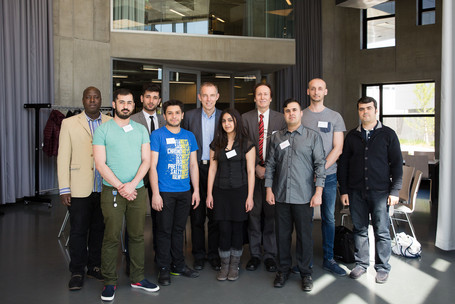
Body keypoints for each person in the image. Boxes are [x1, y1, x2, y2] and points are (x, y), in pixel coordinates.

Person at [93, 88, 159, 301]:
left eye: (129, 103)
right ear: (114, 104)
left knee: (137, 236)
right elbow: (100, 164)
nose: (125, 106)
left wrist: (132, 185)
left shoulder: (141, 130)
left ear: (134, 105)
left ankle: (138, 277)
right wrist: (122, 186)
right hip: (112, 191)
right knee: (112, 237)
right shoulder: (103, 130)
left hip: (137, 191)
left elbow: (147, 161)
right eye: (121, 102)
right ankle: (110, 282)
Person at [338, 96, 403, 284]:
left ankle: (382, 268)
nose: (365, 112)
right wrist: (344, 191)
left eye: (368, 108)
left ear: (376, 110)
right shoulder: (352, 136)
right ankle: (361, 264)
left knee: (382, 230)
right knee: (359, 229)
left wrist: (395, 191)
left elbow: (397, 164)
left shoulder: (388, 135)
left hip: (381, 193)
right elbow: (343, 166)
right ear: (358, 111)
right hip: (356, 192)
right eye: (361, 109)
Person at [265, 98, 326, 292]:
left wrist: (319, 191)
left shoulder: (312, 137)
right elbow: (270, 166)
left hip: (304, 197)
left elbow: (320, 166)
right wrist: (268, 189)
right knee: (282, 236)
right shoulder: (276, 138)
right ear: (284, 114)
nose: (291, 113)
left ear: (300, 113)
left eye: (294, 110)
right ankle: (282, 271)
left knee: (304, 237)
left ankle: (305, 273)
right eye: (287, 111)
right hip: (281, 195)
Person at [57, 86, 111, 290]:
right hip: (79, 187)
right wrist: (64, 188)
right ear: (83, 100)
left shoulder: (110, 122)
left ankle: (94, 267)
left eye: (96, 97)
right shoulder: (69, 123)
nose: (92, 100)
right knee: (78, 231)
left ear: (100, 100)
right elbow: (63, 158)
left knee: (99, 229)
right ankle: (77, 270)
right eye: (88, 97)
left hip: (103, 186)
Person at [150, 99, 200, 286]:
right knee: (164, 231)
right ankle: (164, 268)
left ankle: (178, 265)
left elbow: (193, 165)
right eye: (169, 113)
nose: (173, 116)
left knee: (179, 230)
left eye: (177, 113)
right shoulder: (157, 135)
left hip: (184, 191)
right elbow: (152, 166)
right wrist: (155, 193)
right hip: (165, 192)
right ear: (164, 116)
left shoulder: (189, 136)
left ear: (182, 115)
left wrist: (196, 191)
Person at [301, 78, 347, 276]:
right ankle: (305, 259)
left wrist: (319, 170)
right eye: (313, 88)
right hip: (304, 177)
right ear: (308, 91)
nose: (316, 92)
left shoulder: (335, 117)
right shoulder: (300, 115)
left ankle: (329, 258)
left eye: (320, 89)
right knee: (305, 219)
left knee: (328, 217)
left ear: (325, 92)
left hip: (328, 176)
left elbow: (338, 149)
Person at [206, 108, 255, 281]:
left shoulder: (246, 143)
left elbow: (250, 171)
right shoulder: (216, 144)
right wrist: (209, 194)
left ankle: (234, 265)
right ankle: (224, 265)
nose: (227, 124)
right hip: (220, 192)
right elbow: (212, 169)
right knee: (223, 229)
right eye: (224, 121)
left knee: (237, 230)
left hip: (240, 191)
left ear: (237, 122)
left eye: (230, 120)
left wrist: (250, 197)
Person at [242, 83, 286, 272]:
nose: (262, 97)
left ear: (270, 97)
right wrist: (255, 167)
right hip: (252, 173)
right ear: (254, 98)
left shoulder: (281, 119)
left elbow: (284, 146)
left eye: (265, 94)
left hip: (273, 175)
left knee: (271, 216)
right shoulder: (245, 118)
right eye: (259, 94)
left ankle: (269, 254)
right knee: (253, 214)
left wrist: (267, 168)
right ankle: (255, 255)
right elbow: (243, 145)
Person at [182, 82, 222, 271]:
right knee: (196, 215)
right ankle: (198, 254)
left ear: (217, 97)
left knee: (215, 215)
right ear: (199, 97)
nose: (208, 99)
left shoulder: (225, 117)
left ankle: (213, 254)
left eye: (211, 95)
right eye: (204, 95)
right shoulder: (189, 117)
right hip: (195, 169)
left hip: (217, 171)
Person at [129, 83, 165, 269]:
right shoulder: (131, 120)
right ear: (141, 98)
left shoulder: (165, 119)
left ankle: (161, 258)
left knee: (160, 218)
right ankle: (132, 262)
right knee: (135, 220)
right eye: (148, 96)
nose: (151, 100)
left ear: (159, 101)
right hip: (137, 175)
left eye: (155, 97)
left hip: (161, 177)